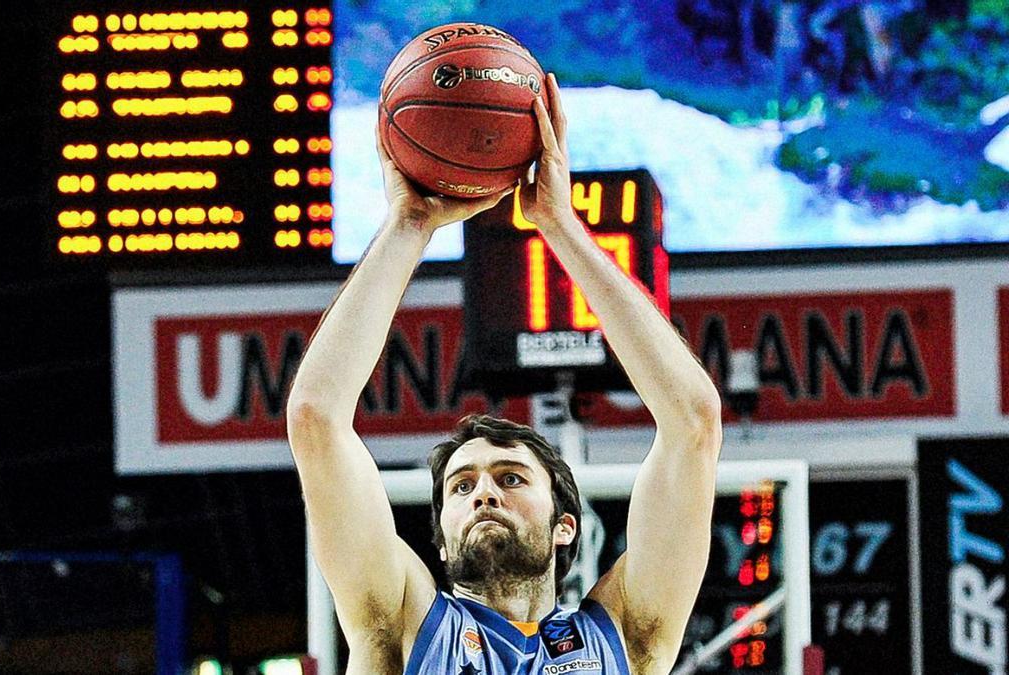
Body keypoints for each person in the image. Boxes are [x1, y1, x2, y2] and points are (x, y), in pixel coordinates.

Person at [286, 73, 722, 674]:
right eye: (461, 488)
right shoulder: (402, 628)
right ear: (439, 538)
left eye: (512, 479)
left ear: (565, 525)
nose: (483, 492)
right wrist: (409, 225)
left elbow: (693, 422)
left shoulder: (624, 641)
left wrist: (561, 226)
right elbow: (316, 418)